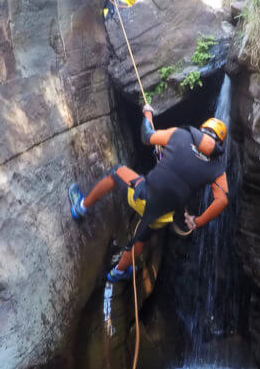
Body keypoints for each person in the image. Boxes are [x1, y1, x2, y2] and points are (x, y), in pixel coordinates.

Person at [68, 103, 230, 282]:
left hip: (141, 197)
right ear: (219, 144)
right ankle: (117, 273)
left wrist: (148, 114)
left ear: (201, 129)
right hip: (162, 216)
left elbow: (146, 136)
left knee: (116, 172)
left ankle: (81, 207)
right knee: (141, 238)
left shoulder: (180, 135)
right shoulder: (218, 170)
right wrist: (196, 222)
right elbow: (222, 200)